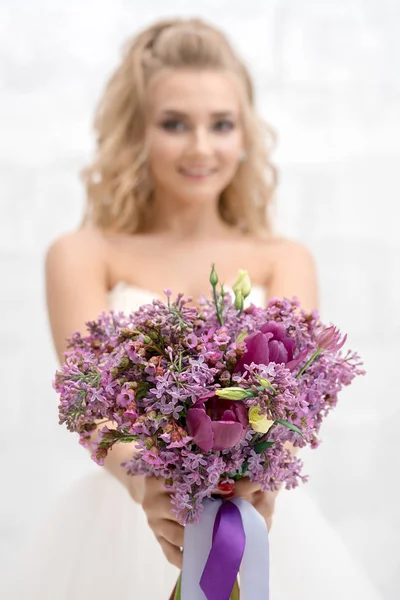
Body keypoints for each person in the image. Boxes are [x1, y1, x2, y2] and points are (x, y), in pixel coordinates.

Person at [7, 17, 382, 599]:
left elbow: (294, 399)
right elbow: (86, 403)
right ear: (137, 132)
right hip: (126, 511)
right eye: (175, 124)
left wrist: (257, 490)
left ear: (245, 135)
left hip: (249, 512)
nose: (202, 147)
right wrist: (151, 489)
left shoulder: (284, 258)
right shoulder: (82, 253)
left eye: (222, 124)